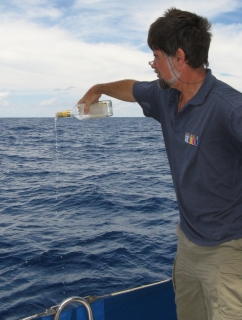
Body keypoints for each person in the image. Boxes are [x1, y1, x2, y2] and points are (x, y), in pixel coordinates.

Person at [78, 7, 242, 320]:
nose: (152, 63)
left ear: (179, 58)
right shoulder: (166, 95)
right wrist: (99, 88)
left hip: (227, 252)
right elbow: (131, 88)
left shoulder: (229, 108)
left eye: (156, 55)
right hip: (188, 243)